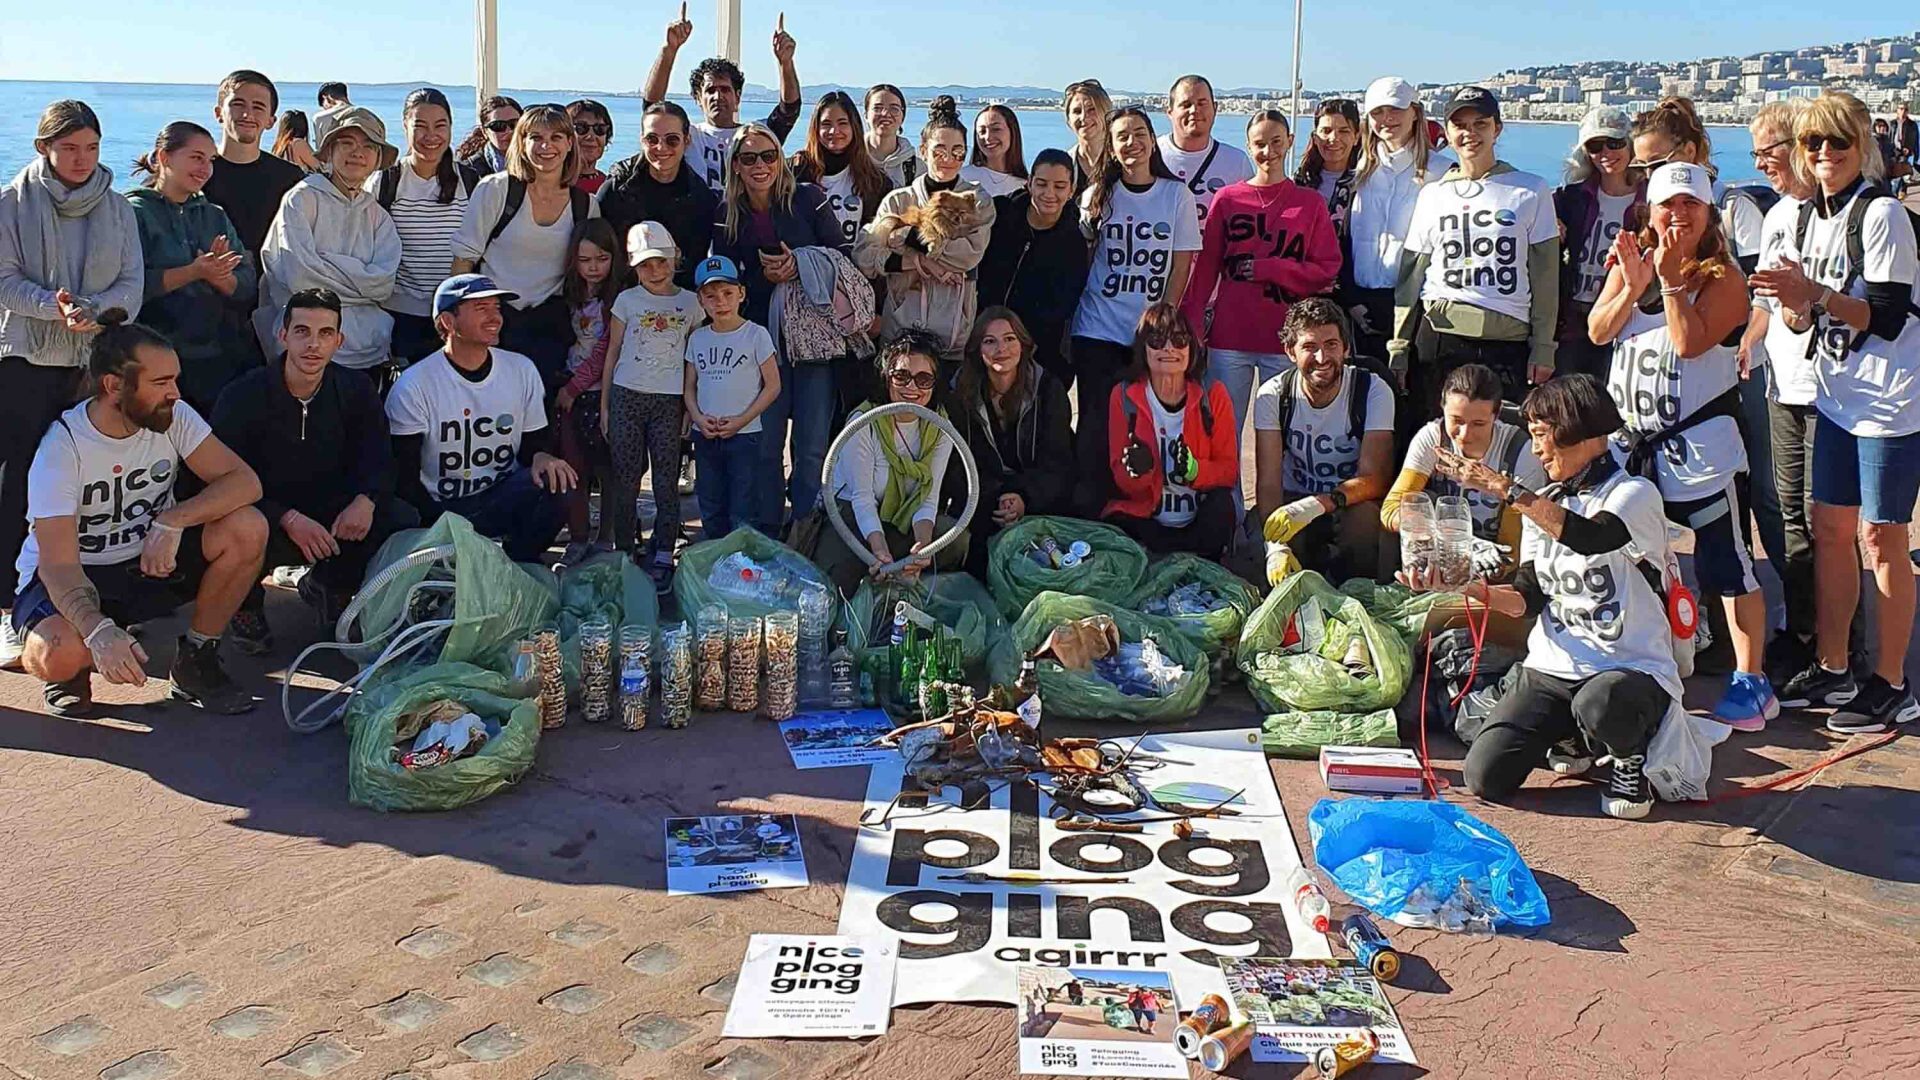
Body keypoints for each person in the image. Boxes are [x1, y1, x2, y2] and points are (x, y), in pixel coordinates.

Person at [1415, 375, 1678, 820]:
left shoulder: (1634, 493)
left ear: (1577, 432)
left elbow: (1591, 537)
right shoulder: (1544, 503)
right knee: (1485, 776)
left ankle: (1629, 758)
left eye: (1541, 435)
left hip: (1628, 666)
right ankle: (1573, 736)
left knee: (1601, 702)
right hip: (1555, 665)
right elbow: (1526, 599)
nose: (1536, 450)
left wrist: (1505, 489)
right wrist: (1461, 585)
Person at [1753, 91, 1920, 733]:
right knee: (1828, 528)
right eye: (1812, 142)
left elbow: (1886, 316)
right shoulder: (1802, 218)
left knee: (1883, 537)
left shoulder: (1882, 214)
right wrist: (1796, 306)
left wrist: (1814, 294)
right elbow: (1802, 317)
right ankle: (1833, 664)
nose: (1825, 153)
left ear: (1862, 145)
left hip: (1888, 402)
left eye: (1838, 141)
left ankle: (1893, 681)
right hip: (1837, 395)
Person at [1590, 161, 1774, 728]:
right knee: (1623, 555)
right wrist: (1634, 286)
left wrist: (1670, 282)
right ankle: (1639, 656)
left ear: (1708, 213)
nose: (1678, 215)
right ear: (1650, 210)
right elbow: (1598, 329)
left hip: (1700, 453)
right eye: (1668, 204)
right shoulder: (1633, 263)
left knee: (1727, 565)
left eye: (1691, 204)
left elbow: (1690, 342)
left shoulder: (1725, 278)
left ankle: (1752, 679)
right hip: (1632, 450)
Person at [14, 315, 264, 716]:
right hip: (74, 573)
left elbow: (244, 482)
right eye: (161, 382)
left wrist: (173, 519)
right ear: (114, 386)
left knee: (247, 527)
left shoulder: (175, 416)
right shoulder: (63, 446)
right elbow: (58, 566)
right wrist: (97, 629)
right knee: (58, 655)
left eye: (175, 379)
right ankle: (74, 669)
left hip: (146, 560)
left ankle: (197, 657)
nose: (175, 393)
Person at [0, 100, 143, 656]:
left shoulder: (118, 206)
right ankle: (9, 605)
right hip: (28, 359)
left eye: (91, 147)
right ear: (44, 148)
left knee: (89, 479)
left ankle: (85, 597)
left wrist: (96, 312)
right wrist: (53, 307)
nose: (82, 159)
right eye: (69, 148)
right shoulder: (11, 203)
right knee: (20, 480)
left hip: (94, 359)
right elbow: (5, 282)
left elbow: (132, 284)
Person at [212, 289, 416, 651]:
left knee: (397, 516)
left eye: (325, 334)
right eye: (302, 331)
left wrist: (366, 500)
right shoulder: (241, 396)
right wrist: (285, 517)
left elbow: (379, 458)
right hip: (266, 512)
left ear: (339, 341)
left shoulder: (357, 389)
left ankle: (332, 583)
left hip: (330, 512)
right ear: (283, 335)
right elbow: (220, 479)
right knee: (234, 525)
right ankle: (244, 603)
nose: (313, 345)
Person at [1633, 98, 1784, 584]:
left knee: (1767, 491)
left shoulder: (1735, 208)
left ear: (1691, 152)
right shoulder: (1655, 216)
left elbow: (1764, 289)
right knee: (1717, 500)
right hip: (1690, 380)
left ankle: (1804, 608)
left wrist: (1749, 332)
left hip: (1746, 366)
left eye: (1657, 163)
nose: (1649, 175)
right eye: (1642, 168)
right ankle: (1726, 600)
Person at [1183, 110, 1340, 526]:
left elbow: (1326, 268)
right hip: (1229, 337)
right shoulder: (1228, 199)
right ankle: (1231, 519)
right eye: (1259, 144)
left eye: (1275, 142)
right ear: (1248, 146)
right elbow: (1206, 268)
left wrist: (1273, 268)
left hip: (1285, 341)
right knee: (1224, 431)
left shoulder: (1309, 203)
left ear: (1289, 142)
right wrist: (1193, 324)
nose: (1267, 151)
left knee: (1283, 434)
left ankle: (1282, 520)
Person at [709, 123, 847, 532]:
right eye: (749, 157)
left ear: (781, 160)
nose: (761, 165)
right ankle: (768, 532)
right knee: (766, 447)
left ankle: (804, 532)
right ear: (735, 165)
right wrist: (760, 276)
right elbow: (726, 279)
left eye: (769, 156)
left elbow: (842, 256)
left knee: (811, 449)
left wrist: (799, 264)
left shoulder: (808, 199)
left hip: (814, 341)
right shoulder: (727, 213)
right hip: (761, 343)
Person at [1390, 86, 1560, 412]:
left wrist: (1543, 347)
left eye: (1480, 124)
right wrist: (1399, 347)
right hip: (1440, 336)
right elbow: (1411, 277)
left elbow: (1546, 277)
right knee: (1437, 431)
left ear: (1497, 129)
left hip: (1507, 340)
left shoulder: (1531, 190)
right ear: (1448, 132)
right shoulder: (1433, 195)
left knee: (1501, 433)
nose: (1470, 133)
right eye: (1460, 125)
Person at [386, 274, 576, 561]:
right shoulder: (414, 385)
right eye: (481, 308)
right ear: (447, 322)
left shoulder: (521, 369)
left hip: (500, 494)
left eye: (497, 307)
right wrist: (447, 529)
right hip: (440, 507)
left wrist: (542, 456)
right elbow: (405, 476)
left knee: (559, 479)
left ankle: (518, 564)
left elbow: (533, 443)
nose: (494, 317)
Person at [1070, 106, 1202, 515]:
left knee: (1141, 422)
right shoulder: (1097, 196)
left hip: (1146, 333)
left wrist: (1163, 321)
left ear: (1152, 140)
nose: (1132, 143)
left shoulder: (1176, 195)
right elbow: (1083, 259)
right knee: (1095, 423)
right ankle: (1088, 509)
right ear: (1111, 147)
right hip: (1097, 328)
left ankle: (1139, 506)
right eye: (1122, 136)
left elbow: (1181, 263)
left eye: (1140, 133)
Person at [1743, 100, 1831, 686]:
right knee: (1790, 517)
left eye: (1768, 151)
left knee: (1825, 522)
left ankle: (1835, 644)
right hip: (1782, 384)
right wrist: (1749, 341)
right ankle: (1802, 635)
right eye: (1755, 154)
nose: (1761, 164)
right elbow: (1765, 302)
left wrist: (1802, 306)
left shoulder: (1833, 213)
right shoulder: (1776, 215)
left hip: (1827, 390)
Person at [451, 104, 601, 388]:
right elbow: (463, 260)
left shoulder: (585, 205)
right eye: (536, 137)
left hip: (550, 329)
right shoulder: (496, 190)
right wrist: (459, 324)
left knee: (540, 410)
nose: (546, 146)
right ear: (521, 142)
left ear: (570, 144)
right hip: (493, 321)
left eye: (556, 137)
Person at [255, 107, 401, 376]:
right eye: (347, 143)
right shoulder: (302, 199)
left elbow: (383, 285)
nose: (357, 153)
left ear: (378, 158)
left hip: (369, 351)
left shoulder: (378, 216)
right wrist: (359, 280)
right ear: (330, 150)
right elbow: (301, 279)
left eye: (368, 146)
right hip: (304, 350)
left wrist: (327, 263)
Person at [1257, 298, 1395, 581]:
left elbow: (1376, 479)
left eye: (1331, 345)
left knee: (1364, 523)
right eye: (1310, 346)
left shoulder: (1373, 390)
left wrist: (1320, 504)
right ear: (1290, 351)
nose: (1322, 358)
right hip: (1295, 499)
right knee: (1262, 541)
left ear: (1346, 348)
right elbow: (1268, 482)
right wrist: (1275, 547)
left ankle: (1361, 591)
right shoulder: (1273, 395)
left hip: (1349, 501)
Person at [126, 121, 258, 412]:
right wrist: (193, 272)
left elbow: (248, 283)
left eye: (210, 161)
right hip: (153, 358)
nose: (205, 169)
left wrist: (221, 277)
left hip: (216, 358)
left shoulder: (214, 216)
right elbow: (127, 288)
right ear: (164, 157)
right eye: (196, 158)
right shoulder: (133, 213)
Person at [818, 330, 965, 590]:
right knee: (839, 579)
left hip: (902, 515)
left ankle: (909, 580)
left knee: (956, 540)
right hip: (852, 513)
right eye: (901, 376)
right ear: (886, 378)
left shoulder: (940, 426)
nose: (912, 387)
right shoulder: (863, 422)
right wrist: (879, 551)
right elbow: (862, 498)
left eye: (923, 379)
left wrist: (923, 547)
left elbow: (928, 498)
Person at [856, 96, 998, 364]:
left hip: (953, 334)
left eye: (957, 152)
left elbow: (968, 255)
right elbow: (864, 256)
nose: (948, 159)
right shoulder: (899, 200)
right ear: (923, 150)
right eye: (939, 151)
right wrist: (911, 262)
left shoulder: (977, 200)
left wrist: (903, 237)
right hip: (900, 333)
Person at [601, 222, 700, 583]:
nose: (655, 271)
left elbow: (693, 360)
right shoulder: (627, 301)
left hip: (669, 402)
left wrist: (690, 406)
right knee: (626, 478)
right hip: (627, 395)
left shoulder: (691, 302)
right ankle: (626, 547)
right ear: (634, 267)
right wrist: (605, 405)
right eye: (645, 265)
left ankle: (664, 548)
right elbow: (613, 352)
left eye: (661, 261)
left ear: (675, 257)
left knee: (665, 479)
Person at [1102, 302, 1237, 556]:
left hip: (1198, 521)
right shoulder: (1123, 396)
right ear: (1142, 348)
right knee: (1115, 524)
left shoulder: (1214, 395)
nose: (1168, 348)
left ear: (1191, 347)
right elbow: (1120, 480)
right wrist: (1139, 472)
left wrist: (1195, 470)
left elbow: (1229, 472)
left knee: (1222, 505)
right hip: (1147, 520)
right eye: (1156, 340)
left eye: (1179, 339)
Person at [946, 308, 1074, 576]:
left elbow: (1058, 461)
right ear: (977, 349)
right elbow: (957, 464)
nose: (1001, 349)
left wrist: (1024, 497)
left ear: (1023, 345)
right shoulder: (960, 394)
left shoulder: (1049, 389)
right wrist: (998, 499)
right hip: (984, 499)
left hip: (1038, 497)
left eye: (1009, 339)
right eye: (989, 341)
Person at [1381, 363, 1546, 556]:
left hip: (1497, 556)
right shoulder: (1433, 438)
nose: (1465, 434)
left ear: (1497, 414)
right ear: (1442, 407)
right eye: (1457, 421)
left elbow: (1516, 546)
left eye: (1479, 424)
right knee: (1413, 509)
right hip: (1439, 550)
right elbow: (1391, 510)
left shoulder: (1522, 452)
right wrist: (1437, 534)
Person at [642, 2, 802, 194]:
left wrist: (786, 63)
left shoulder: (756, 136)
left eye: (725, 90)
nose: (718, 96)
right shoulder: (688, 137)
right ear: (698, 98)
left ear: (738, 97)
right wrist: (669, 50)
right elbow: (653, 108)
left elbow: (789, 111)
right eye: (710, 90)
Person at [371, 88, 478, 367]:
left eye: (440, 126)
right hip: (400, 317)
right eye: (420, 126)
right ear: (405, 127)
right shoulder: (385, 182)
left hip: (457, 314)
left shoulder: (470, 181)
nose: (431, 136)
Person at [1347, 77, 1452, 361]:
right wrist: (1351, 299)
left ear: (1415, 112)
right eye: (1377, 112)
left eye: (1395, 109)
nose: (1387, 118)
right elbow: (1345, 239)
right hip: (1361, 307)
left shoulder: (1444, 173)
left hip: (1415, 308)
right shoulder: (1359, 170)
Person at [683, 255, 780, 540]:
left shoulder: (756, 335)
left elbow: (773, 385)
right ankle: (716, 554)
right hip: (706, 435)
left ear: (741, 293)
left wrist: (742, 420)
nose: (720, 302)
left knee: (744, 505)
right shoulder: (698, 338)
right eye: (711, 296)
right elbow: (689, 387)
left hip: (744, 435)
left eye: (727, 293)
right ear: (701, 300)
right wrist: (698, 418)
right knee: (710, 501)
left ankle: (740, 559)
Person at [976, 150, 1087, 387]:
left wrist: (1018, 341)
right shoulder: (1000, 214)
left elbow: (1061, 306)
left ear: (1071, 190)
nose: (1049, 194)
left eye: (1059, 186)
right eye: (1042, 184)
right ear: (1029, 183)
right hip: (983, 337)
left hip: (1037, 352)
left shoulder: (1073, 243)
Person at [1553, 106, 1643, 380]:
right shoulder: (1571, 198)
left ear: (1630, 143)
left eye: (1614, 143)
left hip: (1623, 314)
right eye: (1595, 146)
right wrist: (1551, 225)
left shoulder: (1650, 201)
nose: (1606, 153)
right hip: (1572, 318)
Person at [555, 218, 626, 564]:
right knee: (574, 466)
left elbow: (605, 351)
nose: (593, 268)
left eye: (602, 259)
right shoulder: (569, 295)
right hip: (571, 388)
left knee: (608, 469)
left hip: (602, 391)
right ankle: (578, 535)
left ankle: (606, 535)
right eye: (585, 260)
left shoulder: (617, 300)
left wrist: (573, 386)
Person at [596, 101, 719, 292]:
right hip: (621, 295)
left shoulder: (701, 198)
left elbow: (696, 262)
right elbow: (597, 247)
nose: (661, 147)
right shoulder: (617, 189)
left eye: (672, 140)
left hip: (677, 298)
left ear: (686, 141)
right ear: (642, 140)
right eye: (652, 139)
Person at [204, 71, 304, 278]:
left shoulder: (290, 179)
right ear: (219, 113)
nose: (247, 115)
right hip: (203, 287)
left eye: (258, 107)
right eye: (238, 104)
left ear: (271, 121)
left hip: (271, 288)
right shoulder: (196, 173)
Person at [791, 91, 894, 250]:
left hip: (852, 263)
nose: (834, 131)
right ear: (816, 128)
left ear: (854, 127)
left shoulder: (876, 182)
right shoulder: (796, 170)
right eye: (826, 124)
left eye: (842, 123)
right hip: (805, 262)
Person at [1157, 75, 1254, 227]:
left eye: (1202, 103)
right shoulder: (1152, 155)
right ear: (1170, 112)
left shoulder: (1236, 162)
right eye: (1186, 104)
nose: (1194, 110)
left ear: (1215, 109)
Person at [1295, 99, 1362, 239]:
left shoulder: (1366, 183)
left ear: (1356, 137)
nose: (1334, 138)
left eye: (1343, 131)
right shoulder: (1300, 182)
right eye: (1326, 131)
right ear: (1315, 137)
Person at [963, 105, 1028, 198]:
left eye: (996, 129)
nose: (988, 137)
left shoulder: (1026, 186)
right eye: (982, 131)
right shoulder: (962, 178)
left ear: (1012, 132)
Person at [1062, 80, 1114, 196]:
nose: (1083, 117)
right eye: (1077, 111)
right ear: (1069, 120)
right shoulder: (1064, 166)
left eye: (1091, 109)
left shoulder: (1123, 162)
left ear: (1108, 113)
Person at [865, 84, 919, 188]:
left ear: (902, 117)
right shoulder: (851, 161)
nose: (885, 114)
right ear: (866, 115)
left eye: (894, 109)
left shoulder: (917, 169)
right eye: (877, 108)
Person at [459, 96, 522, 177]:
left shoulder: (535, 161)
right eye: (498, 126)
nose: (509, 131)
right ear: (485, 132)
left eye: (515, 124)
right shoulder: (469, 171)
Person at [568, 99, 614, 195]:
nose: (591, 136)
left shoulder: (612, 186)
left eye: (600, 129)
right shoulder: (551, 184)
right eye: (581, 128)